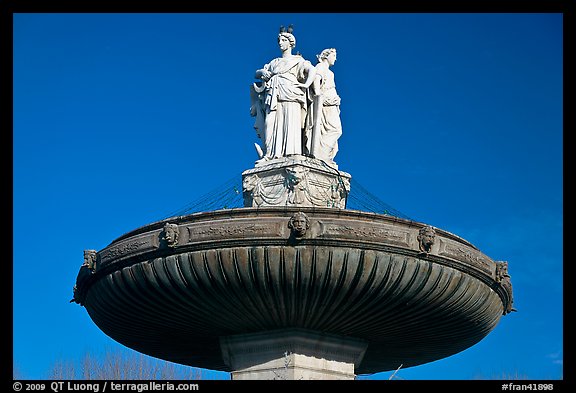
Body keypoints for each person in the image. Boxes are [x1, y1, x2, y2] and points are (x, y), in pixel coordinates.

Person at [251, 25, 317, 163]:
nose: (280, 43)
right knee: (270, 123)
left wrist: (305, 85)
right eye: (279, 40)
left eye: (283, 40)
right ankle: (269, 154)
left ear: (290, 42)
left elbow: (312, 70)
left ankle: (291, 153)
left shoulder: (298, 60)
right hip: (274, 92)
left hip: (291, 93)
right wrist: (262, 72)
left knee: (290, 122)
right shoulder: (275, 62)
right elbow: (257, 73)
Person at [305, 48, 342, 167]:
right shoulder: (321, 66)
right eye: (334, 55)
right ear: (326, 56)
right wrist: (318, 94)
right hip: (325, 102)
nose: (335, 58)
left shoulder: (331, 72)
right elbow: (316, 79)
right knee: (335, 130)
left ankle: (324, 155)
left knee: (335, 130)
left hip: (332, 103)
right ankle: (322, 155)